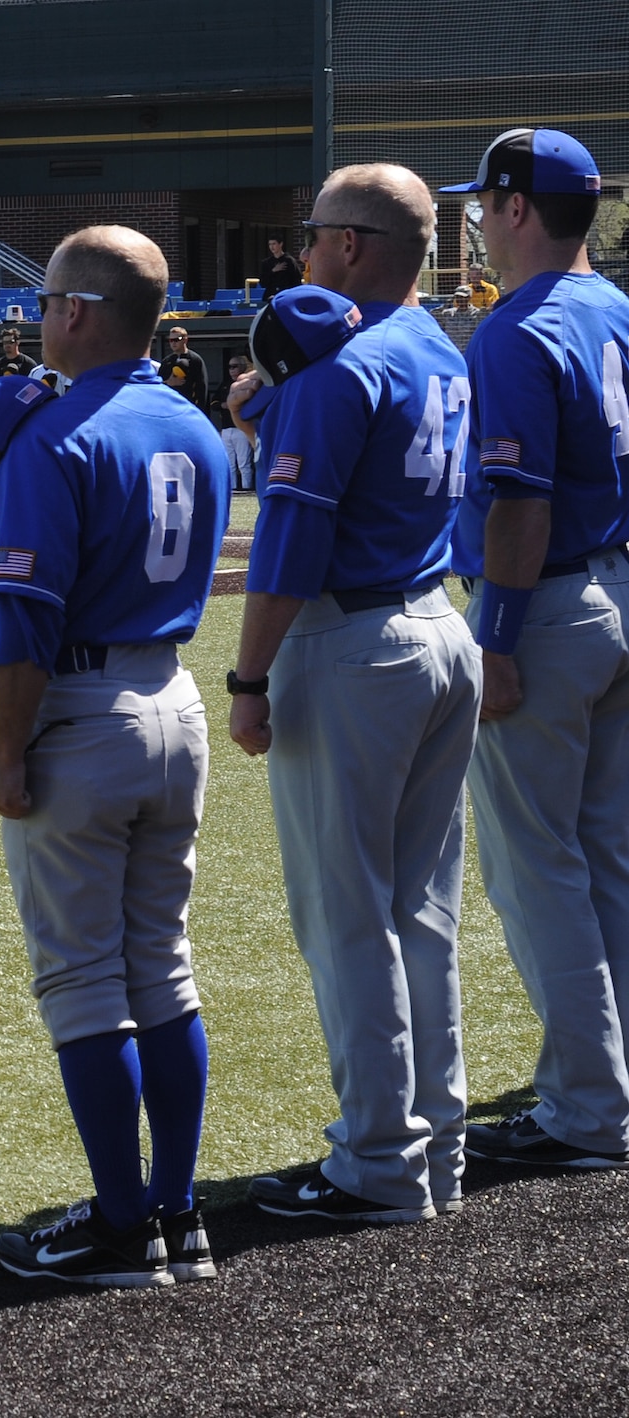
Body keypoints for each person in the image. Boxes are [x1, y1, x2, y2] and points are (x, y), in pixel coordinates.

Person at [227, 165, 480, 1225]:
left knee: (347, 918)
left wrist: (245, 676)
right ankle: (435, 1144)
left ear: (350, 246)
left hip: (354, 639)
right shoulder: (439, 346)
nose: (302, 250)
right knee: (419, 911)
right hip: (438, 622)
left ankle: (376, 1160)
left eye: (314, 234)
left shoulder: (339, 365)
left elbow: (288, 543)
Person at [0, 226, 231, 1289]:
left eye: (45, 303)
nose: (39, 321)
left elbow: (26, 617)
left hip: (85, 704)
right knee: (160, 965)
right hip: (173, 693)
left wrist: (4, 751)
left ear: (78, 311)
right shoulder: (194, 419)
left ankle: (121, 1223)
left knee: (84, 981)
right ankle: (178, 1208)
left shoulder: (57, 434)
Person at [439, 127, 629, 1172]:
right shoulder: (615, 308)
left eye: (481, 202)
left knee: (537, 870)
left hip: (545, 605)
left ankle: (583, 1110)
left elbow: (516, 500)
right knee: (606, 858)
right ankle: (605, 1091)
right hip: (616, 589)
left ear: (515, 208)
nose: (472, 218)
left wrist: (497, 635)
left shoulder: (517, 327)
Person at [212, 352, 257, 490]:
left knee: (244, 463)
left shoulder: (249, 384)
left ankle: (247, 488)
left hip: (241, 428)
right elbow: (213, 403)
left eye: (235, 366)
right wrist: (223, 405)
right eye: (229, 367)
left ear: (242, 367)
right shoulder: (225, 385)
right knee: (229, 464)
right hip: (226, 428)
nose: (231, 370)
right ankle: (231, 490)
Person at [158, 326, 208, 411]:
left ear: (185, 340)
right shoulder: (166, 361)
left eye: (177, 339)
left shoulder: (195, 360)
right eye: (171, 340)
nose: (173, 343)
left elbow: (202, 387)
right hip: (170, 406)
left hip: (188, 406)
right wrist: (168, 383)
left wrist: (199, 409)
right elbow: (158, 384)